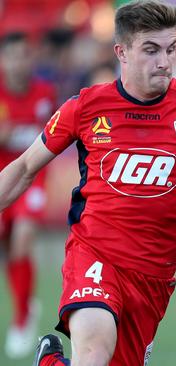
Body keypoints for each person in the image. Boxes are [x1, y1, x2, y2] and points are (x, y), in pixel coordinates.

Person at [0, 1, 176, 365]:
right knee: (94, 353)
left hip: (154, 276)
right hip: (95, 255)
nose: (165, 61)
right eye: (151, 50)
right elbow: (25, 168)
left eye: (171, 49)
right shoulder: (86, 107)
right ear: (121, 52)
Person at [0, 31, 57, 359]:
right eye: (13, 56)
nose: (19, 62)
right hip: (3, 177)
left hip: (31, 178)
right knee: (10, 248)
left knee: (23, 239)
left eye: (24, 56)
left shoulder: (45, 93)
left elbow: (52, 137)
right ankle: (25, 305)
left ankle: (22, 320)